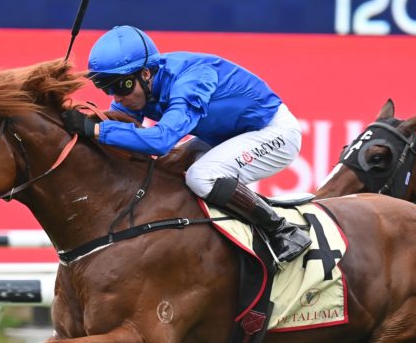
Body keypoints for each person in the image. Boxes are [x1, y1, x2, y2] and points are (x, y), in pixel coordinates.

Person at [60, 25, 311, 263]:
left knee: (201, 177)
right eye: (108, 89)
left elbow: (161, 141)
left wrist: (95, 129)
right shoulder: (140, 86)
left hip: (273, 132)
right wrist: (75, 122)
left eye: (121, 86)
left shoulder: (191, 80)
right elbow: (118, 127)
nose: (117, 97)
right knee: (165, 167)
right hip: (225, 135)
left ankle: (281, 230)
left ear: (145, 74)